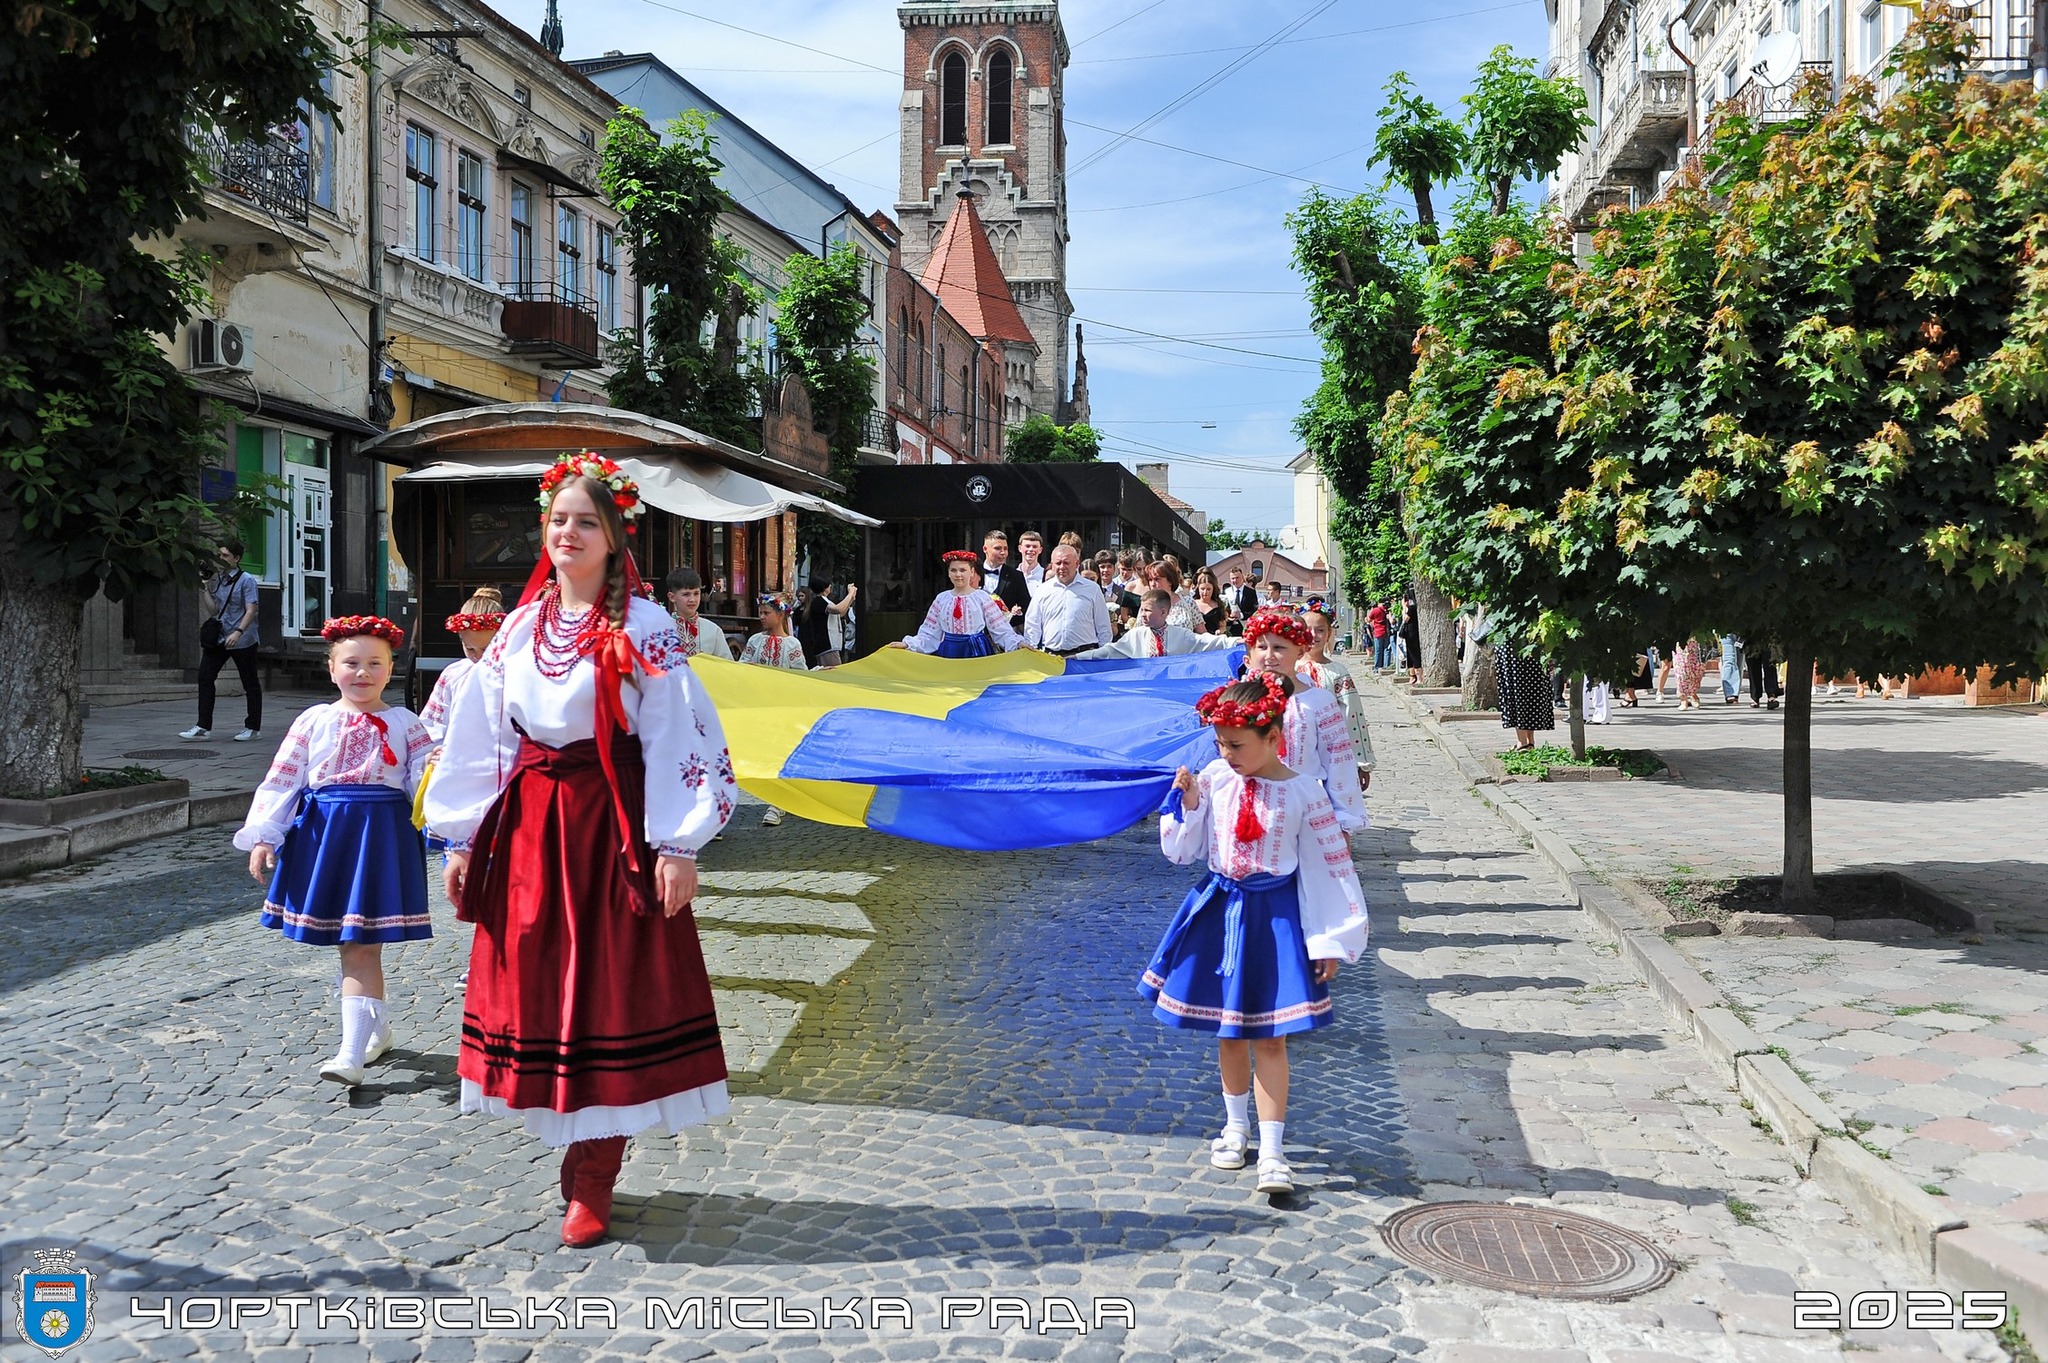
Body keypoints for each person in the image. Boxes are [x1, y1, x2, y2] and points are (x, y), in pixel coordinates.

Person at [425, 454, 738, 1249]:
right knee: (542, 982)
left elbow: (678, 733)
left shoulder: (643, 628)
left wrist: (677, 841)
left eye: (586, 521)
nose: (568, 532)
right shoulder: (524, 627)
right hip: (532, 828)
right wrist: (463, 835)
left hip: (611, 826)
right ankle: (574, 1143)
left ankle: (594, 1170)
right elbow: (484, 735)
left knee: (609, 988)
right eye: (559, 518)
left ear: (613, 535)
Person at [1145, 673, 1370, 1196]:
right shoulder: (1217, 780)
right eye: (1220, 743)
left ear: (1274, 737)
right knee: (1229, 1032)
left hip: (1275, 920)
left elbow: (1327, 869)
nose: (1228, 753)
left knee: (1270, 1037)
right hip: (1221, 911)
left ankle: (1272, 1149)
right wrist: (1192, 804)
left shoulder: (1304, 793)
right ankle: (1235, 1127)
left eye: (1238, 744)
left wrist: (1330, 939)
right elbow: (1184, 852)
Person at [235, 614, 433, 1087]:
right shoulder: (314, 720)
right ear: (331, 668)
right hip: (326, 837)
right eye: (351, 662)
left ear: (391, 670)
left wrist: (442, 787)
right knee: (357, 945)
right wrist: (265, 834)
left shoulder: (408, 724)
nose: (362, 673)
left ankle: (351, 1054)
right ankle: (376, 1032)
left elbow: (424, 789)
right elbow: (284, 777)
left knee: (359, 946)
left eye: (374, 663)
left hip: (381, 838)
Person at [1241, 610, 1367, 834]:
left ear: (1300, 651)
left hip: (1304, 813)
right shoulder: (1239, 699)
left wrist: (1344, 821)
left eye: (1279, 648)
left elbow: (1338, 763)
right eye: (1261, 647)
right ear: (1249, 653)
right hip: (1251, 810)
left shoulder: (1318, 702)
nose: (1269, 656)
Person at [183, 538, 264, 742]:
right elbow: (214, 610)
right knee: (205, 677)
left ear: (236, 558)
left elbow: (251, 610)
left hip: (242, 639)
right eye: (219, 555)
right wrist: (205, 587)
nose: (221, 558)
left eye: (225, 555)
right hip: (220, 638)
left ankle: (252, 727)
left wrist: (238, 632)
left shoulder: (247, 580)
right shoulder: (219, 578)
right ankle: (203, 726)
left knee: (249, 682)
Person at [740, 594, 809, 826]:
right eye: (760, 613)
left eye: (766, 613)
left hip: (782, 707)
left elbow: (800, 674)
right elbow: (741, 667)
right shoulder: (754, 641)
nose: (761, 617)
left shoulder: (792, 644)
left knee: (780, 754)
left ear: (780, 615)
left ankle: (777, 804)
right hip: (760, 705)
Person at [894, 550, 1024, 657]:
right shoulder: (941, 599)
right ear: (948, 573)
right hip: (950, 650)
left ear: (972, 572)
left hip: (976, 650)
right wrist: (908, 644)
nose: (958, 575)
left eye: (962, 570)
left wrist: (1018, 643)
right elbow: (929, 632)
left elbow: (1000, 629)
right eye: (953, 570)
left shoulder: (982, 597)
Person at [1299, 608, 1376, 789]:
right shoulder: (1288, 668)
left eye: (1320, 630)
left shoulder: (1337, 672)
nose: (1313, 635)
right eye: (1307, 629)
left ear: (1329, 634)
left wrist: (1361, 761)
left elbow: (1353, 715)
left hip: (1330, 755)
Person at [421, 587, 507, 746]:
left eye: (486, 649)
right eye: (470, 649)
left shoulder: (514, 673)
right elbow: (432, 726)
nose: (479, 656)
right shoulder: (453, 674)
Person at [1074, 589, 1238, 659]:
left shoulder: (1180, 635)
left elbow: (1208, 641)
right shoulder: (1135, 635)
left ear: (1163, 612)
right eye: (1142, 610)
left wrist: (1237, 641)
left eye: (1147, 611)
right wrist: (1076, 658)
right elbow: (1108, 652)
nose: (1142, 615)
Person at [1023, 544, 1114, 656]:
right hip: (1051, 658)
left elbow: (1103, 626)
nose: (1062, 567)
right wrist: (1031, 653)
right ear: (1052, 565)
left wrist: (1103, 656)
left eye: (1066, 563)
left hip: (1084, 657)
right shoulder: (1042, 590)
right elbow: (1032, 624)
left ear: (1076, 564)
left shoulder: (1093, 589)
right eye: (1058, 563)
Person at [1493, 632, 1555, 750]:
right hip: (1534, 638)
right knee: (1531, 689)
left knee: (1515, 689)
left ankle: (1522, 742)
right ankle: (1529, 741)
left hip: (1511, 641)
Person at [662, 567, 733, 661]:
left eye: (696, 593)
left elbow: (727, 666)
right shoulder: (660, 630)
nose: (692, 599)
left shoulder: (713, 630)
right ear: (672, 597)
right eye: (686, 594)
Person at [794, 574, 856, 668]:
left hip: (831, 644)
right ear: (824, 587)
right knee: (834, 673)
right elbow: (838, 609)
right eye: (829, 585)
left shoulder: (823, 600)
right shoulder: (819, 601)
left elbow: (840, 613)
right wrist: (850, 594)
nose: (830, 587)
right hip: (827, 645)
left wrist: (851, 598)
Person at [979, 530, 1032, 630]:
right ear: (985, 549)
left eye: (1005, 548)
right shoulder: (974, 574)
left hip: (1005, 634)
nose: (1003, 553)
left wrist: (1015, 614)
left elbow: (1026, 608)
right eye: (998, 548)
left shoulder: (1016, 576)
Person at [1222, 567, 1260, 636]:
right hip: (1230, 628)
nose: (1235, 580)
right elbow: (1224, 608)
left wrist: (1241, 615)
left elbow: (1255, 610)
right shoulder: (1227, 592)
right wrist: (1227, 616)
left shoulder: (1251, 592)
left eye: (1237, 578)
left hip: (1245, 627)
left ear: (1242, 578)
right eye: (1233, 578)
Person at [1747, 640, 1782, 711]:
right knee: (1753, 667)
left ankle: (1771, 695)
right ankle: (1755, 697)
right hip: (1750, 636)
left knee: (1770, 664)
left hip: (1768, 636)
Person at [1193, 569, 1228, 636]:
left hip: (1214, 640)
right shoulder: (1192, 604)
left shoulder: (1218, 605)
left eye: (1208, 589)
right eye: (1202, 589)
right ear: (1198, 589)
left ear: (1213, 589)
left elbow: (1223, 626)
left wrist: (1219, 631)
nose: (1205, 592)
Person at [1399, 591, 1423, 686]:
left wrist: (1404, 608)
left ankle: (1419, 677)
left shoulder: (1412, 608)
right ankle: (1413, 676)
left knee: (1414, 655)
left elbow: (1405, 619)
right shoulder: (1412, 607)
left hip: (1412, 634)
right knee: (1410, 655)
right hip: (1409, 634)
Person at [1674, 637, 1706, 709]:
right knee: (1681, 671)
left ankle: (1693, 694)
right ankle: (1683, 699)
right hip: (1679, 642)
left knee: (1695, 671)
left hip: (1695, 643)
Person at [1365, 600, 1392, 671]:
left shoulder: (1375, 610)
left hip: (1378, 632)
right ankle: (1386, 666)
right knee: (1387, 650)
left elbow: (1369, 619)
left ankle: (1377, 667)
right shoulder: (1387, 610)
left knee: (1378, 650)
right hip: (1386, 632)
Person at [1718, 634, 1743, 705]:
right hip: (1725, 630)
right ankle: (1731, 693)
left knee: (1739, 662)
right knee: (1729, 660)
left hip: (1743, 630)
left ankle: (1735, 692)